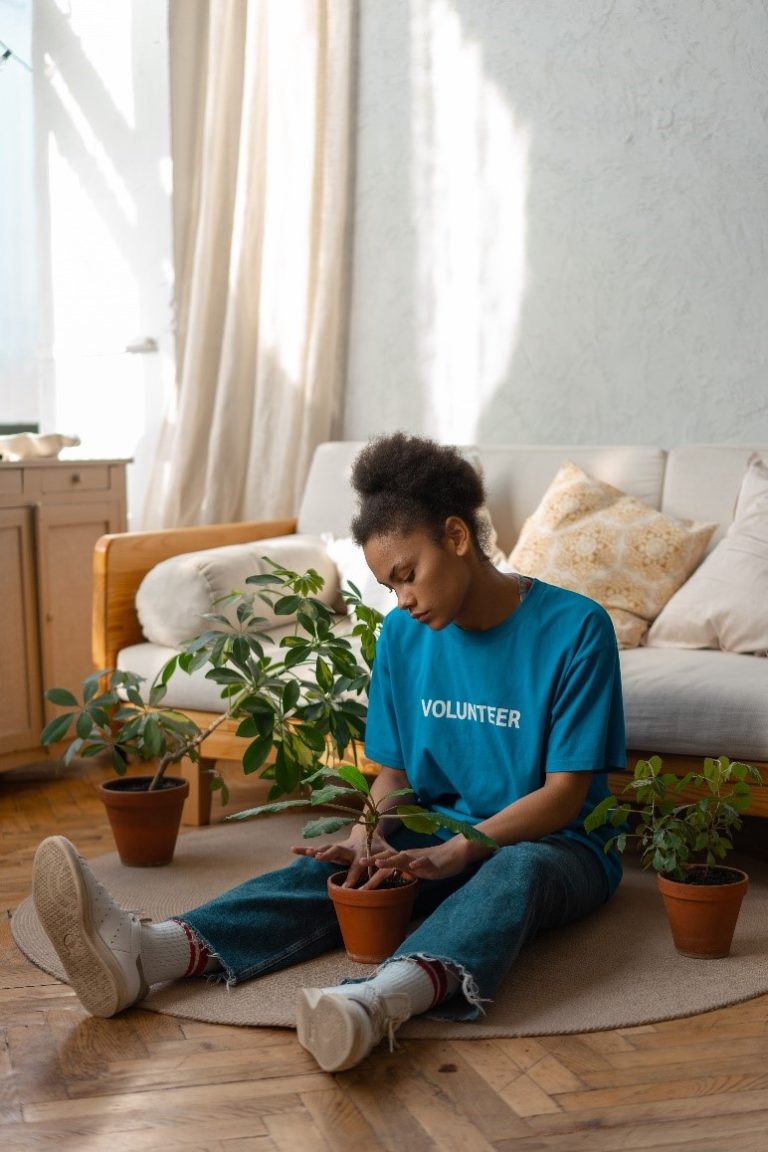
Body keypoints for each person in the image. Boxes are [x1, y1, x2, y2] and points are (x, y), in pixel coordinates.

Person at [32, 432, 626, 1073]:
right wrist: (366, 832)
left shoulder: (575, 628)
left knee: (519, 871)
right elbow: (395, 773)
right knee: (341, 870)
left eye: (408, 574)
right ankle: (151, 952)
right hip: (440, 832)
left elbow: (565, 795)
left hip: (562, 846)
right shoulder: (401, 635)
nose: (402, 598)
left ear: (456, 537)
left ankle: (376, 1004)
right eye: (388, 584)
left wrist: (464, 848)